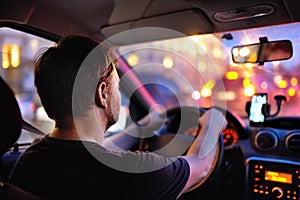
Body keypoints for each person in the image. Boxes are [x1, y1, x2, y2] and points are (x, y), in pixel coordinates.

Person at [8, 35, 227, 200]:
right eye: (117, 85)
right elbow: (201, 166)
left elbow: (88, 153)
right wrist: (213, 122)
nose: (118, 93)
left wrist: (141, 127)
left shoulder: (28, 161)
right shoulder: (133, 173)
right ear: (102, 93)